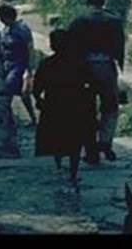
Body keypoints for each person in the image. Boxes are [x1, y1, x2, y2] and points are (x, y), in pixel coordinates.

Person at [31, 28, 97, 188]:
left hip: (54, 106)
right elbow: (92, 84)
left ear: (53, 46)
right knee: (75, 140)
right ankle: (73, 172)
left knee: (56, 139)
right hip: (76, 107)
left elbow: (37, 87)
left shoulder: (47, 64)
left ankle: (60, 166)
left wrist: (38, 100)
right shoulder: (80, 63)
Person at [67, 0, 125, 164]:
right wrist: (119, 64)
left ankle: (91, 151)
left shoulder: (78, 21)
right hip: (106, 66)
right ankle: (105, 141)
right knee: (110, 106)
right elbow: (119, 45)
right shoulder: (113, 21)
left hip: (84, 68)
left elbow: (71, 46)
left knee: (86, 110)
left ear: (88, 2)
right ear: (103, 2)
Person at [0, 4, 37, 125]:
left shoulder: (21, 28)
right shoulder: (6, 29)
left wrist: (29, 69)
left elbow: (29, 47)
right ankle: (25, 119)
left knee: (8, 90)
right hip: (8, 64)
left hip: (19, 65)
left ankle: (7, 120)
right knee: (23, 96)